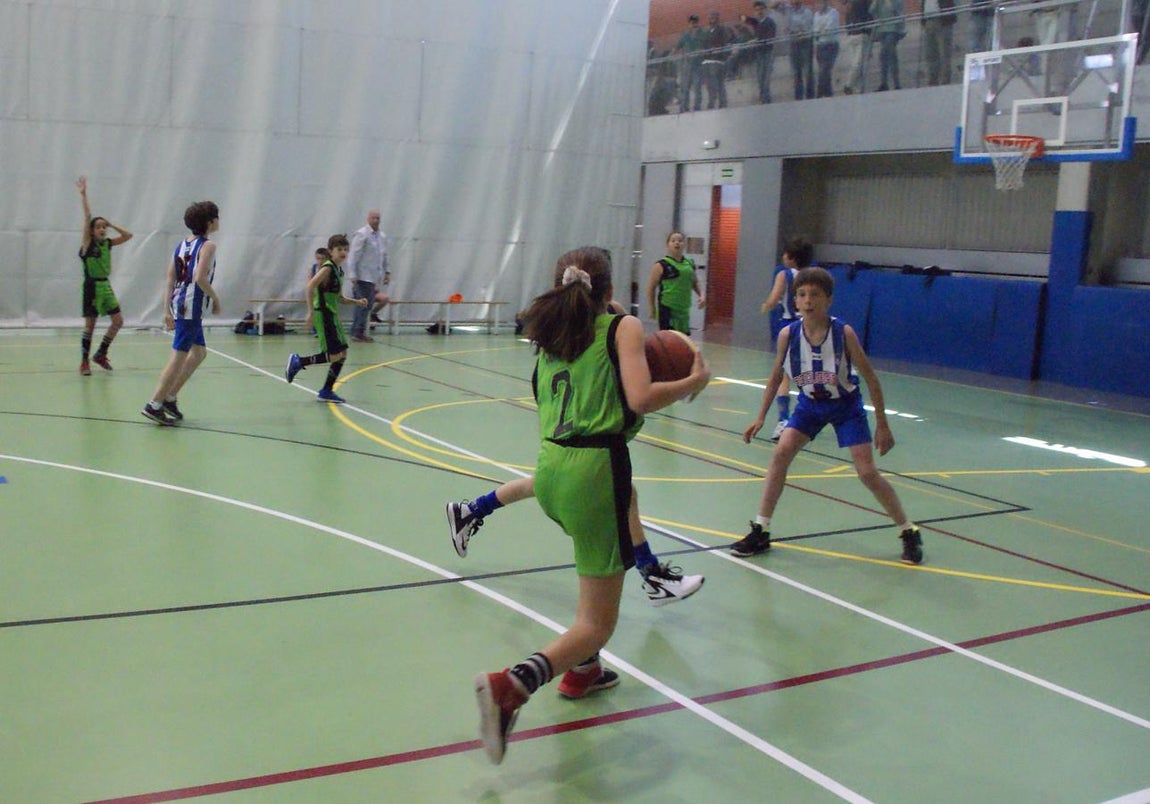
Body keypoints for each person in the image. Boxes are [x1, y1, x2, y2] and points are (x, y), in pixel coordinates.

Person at [473, 247, 710, 765]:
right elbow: (642, 398)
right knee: (597, 619)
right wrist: (693, 381)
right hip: (594, 472)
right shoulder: (621, 327)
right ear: (608, 290)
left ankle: (584, 672)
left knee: (597, 562)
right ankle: (512, 685)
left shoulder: (553, 332)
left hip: (551, 469)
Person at [730, 266, 924, 565]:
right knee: (781, 453)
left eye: (815, 295)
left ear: (829, 300)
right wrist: (760, 417)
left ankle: (908, 531)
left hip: (845, 406)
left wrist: (883, 425)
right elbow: (774, 377)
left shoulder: (842, 333)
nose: (808, 300)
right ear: (795, 301)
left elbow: (871, 378)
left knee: (867, 473)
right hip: (809, 405)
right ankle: (761, 529)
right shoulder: (788, 334)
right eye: (802, 295)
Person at [447, 474, 705, 606]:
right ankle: (652, 576)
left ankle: (471, 510)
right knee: (604, 519)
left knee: (541, 484)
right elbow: (640, 399)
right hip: (579, 446)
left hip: (561, 444)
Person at [141, 201, 221, 425]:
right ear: (209, 222)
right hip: (191, 305)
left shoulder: (182, 245)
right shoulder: (208, 246)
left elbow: (170, 278)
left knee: (199, 353)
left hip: (180, 302)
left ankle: (170, 397)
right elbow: (200, 278)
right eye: (216, 217)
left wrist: (166, 309)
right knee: (179, 355)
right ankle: (154, 403)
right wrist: (215, 298)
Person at [285, 234, 369, 404]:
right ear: (331, 251)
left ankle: (326, 390)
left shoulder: (339, 271)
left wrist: (356, 302)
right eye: (339, 249)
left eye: (346, 249)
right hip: (323, 314)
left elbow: (339, 297)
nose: (343, 252)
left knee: (343, 353)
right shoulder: (328, 268)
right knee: (333, 355)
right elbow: (310, 286)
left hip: (332, 314)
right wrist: (310, 311)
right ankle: (299, 361)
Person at [76, 176, 132, 376]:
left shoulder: (107, 243)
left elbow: (128, 236)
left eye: (103, 227)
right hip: (91, 287)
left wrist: (111, 224)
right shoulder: (88, 244)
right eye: (98, 227)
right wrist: (83, 195)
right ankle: (84, 362)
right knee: (90, 325)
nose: (102, 229)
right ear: (91, 231)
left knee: (118, 321)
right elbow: (87, 216)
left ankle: (101, 353)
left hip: (105, 286)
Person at [760, 237, 812, 441]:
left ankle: (783, 420)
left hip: (790, 325)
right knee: (808, 373)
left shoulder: (785, 274)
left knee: (783, 376)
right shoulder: (811, 275)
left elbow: (774, 298)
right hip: (810, 325)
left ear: (790, 257)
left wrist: (766, 306)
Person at [646, 231, 704, 335]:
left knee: (683, 340)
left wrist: (702, 295)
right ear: (668, 244)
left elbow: (695, 282)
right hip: (667, 308)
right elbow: (651, 288)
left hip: (684, 308)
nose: (677, 243)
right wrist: (652, 308)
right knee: (669, 340)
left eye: (680, 241)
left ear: (684, 244)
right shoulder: (661, 265)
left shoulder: (689, 263)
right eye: (673, 241)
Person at [346, 209, 388, 343]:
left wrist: (387, 272)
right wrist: (353, 275)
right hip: (362, 277)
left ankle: (359, 331)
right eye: (373, 218)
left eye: (378, 218)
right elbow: (353, 256)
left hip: (373, 277)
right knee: (362, 305)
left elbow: (384, 255)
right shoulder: (362, 234)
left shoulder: (382, 236)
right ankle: (356, 332)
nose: (376, 221)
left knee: (368, 306)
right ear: (368, 219)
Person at [776, 0, 816, 99]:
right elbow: (773, 7)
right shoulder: (788, 10)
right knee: (796, 71)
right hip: (793, 43)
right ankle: (798, 96)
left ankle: (810, 95)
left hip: (805, 43)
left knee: (808, 71)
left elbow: (807, 28)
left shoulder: (807, 12)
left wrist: (798, 31)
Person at [698, 10, 732, 109]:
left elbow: (724, 42)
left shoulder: (722, 29)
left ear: (717, 18)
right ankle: (712, 102)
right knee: (709, 84)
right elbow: (703, 44)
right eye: (710, 17)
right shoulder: (707, 31)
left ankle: (721, 102)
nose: (711, 19)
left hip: (717, 60)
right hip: (707, 61)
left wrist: (714, 48)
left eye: (713, 17)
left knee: (718, 83)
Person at [746, 1, 778, 104]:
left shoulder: (770, 22)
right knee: (760, 76)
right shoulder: (756, 23)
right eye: (757, 10)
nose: (759, 12)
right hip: (759, 52)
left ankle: (766, 99)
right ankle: (763, 98)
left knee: (766, 76)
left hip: (768, 52)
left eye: (760, 9)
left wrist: (757, 40)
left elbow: (770, 37)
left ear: (764, 10)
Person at [672, 14, 705, 111]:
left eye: (695, 22)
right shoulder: (685, 35)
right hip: (687, 65)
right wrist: (671, 54)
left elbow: (704, 45)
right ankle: (684, 107)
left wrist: (699, 51)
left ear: (697, 22)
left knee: (697, 87)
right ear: (689, 23)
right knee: (685, 87)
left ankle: (697, 107)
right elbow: (677, 47)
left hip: (698, 64)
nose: (693, 24)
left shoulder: (702, 33)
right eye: (691, 22)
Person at [871, 0, 905, 91]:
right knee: (889, 57)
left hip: (893, 30)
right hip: (882, 31)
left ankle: (893, 82)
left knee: (885, 54)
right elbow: (871, 11)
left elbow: (897, 12)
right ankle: (886, 82)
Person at [842, 0, 875, 94]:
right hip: (862, 33)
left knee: (858, 62)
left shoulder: (849, 3)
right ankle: (849, 84)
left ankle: (858, 87)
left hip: (853, 33)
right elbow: (871, 13)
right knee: (859, 62)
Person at [922, 0, 957, 86]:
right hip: (928, 20)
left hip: (943, 20)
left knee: (944, 52)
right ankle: (932, 79)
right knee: (930, 53)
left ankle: (945, 80)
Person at [813, 0, 842, 97]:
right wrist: (820, 30)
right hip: (820, 45)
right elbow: (815, 29)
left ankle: (819, 92)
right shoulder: (816, 15)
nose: (819, 5)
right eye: (817, 3)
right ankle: (828, 94)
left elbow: (829, 28)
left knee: (824, 69)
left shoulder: (833, 12)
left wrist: (820, 30)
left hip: (831, 45)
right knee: (824, 70)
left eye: (820, 3)